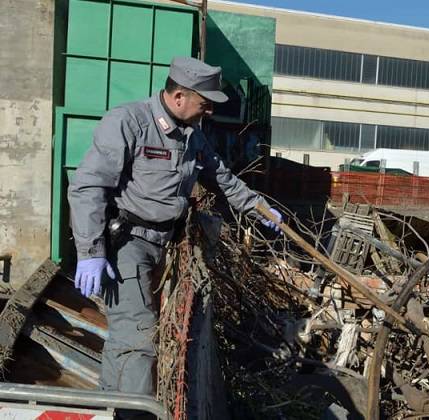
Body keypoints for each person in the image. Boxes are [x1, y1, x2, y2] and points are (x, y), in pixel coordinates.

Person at [67, 56, 281, 413]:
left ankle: (113, 404)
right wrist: (91, 251)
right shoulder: (128, 122)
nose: (209, 110)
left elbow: (222, 179)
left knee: (133, 337)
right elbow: (88, 186)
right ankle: (129, 413)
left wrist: (259, 208)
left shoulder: (193, 137)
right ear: (179, 96)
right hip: (127, 246)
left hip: (164, 245)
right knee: (138, 336)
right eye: (205, 103)